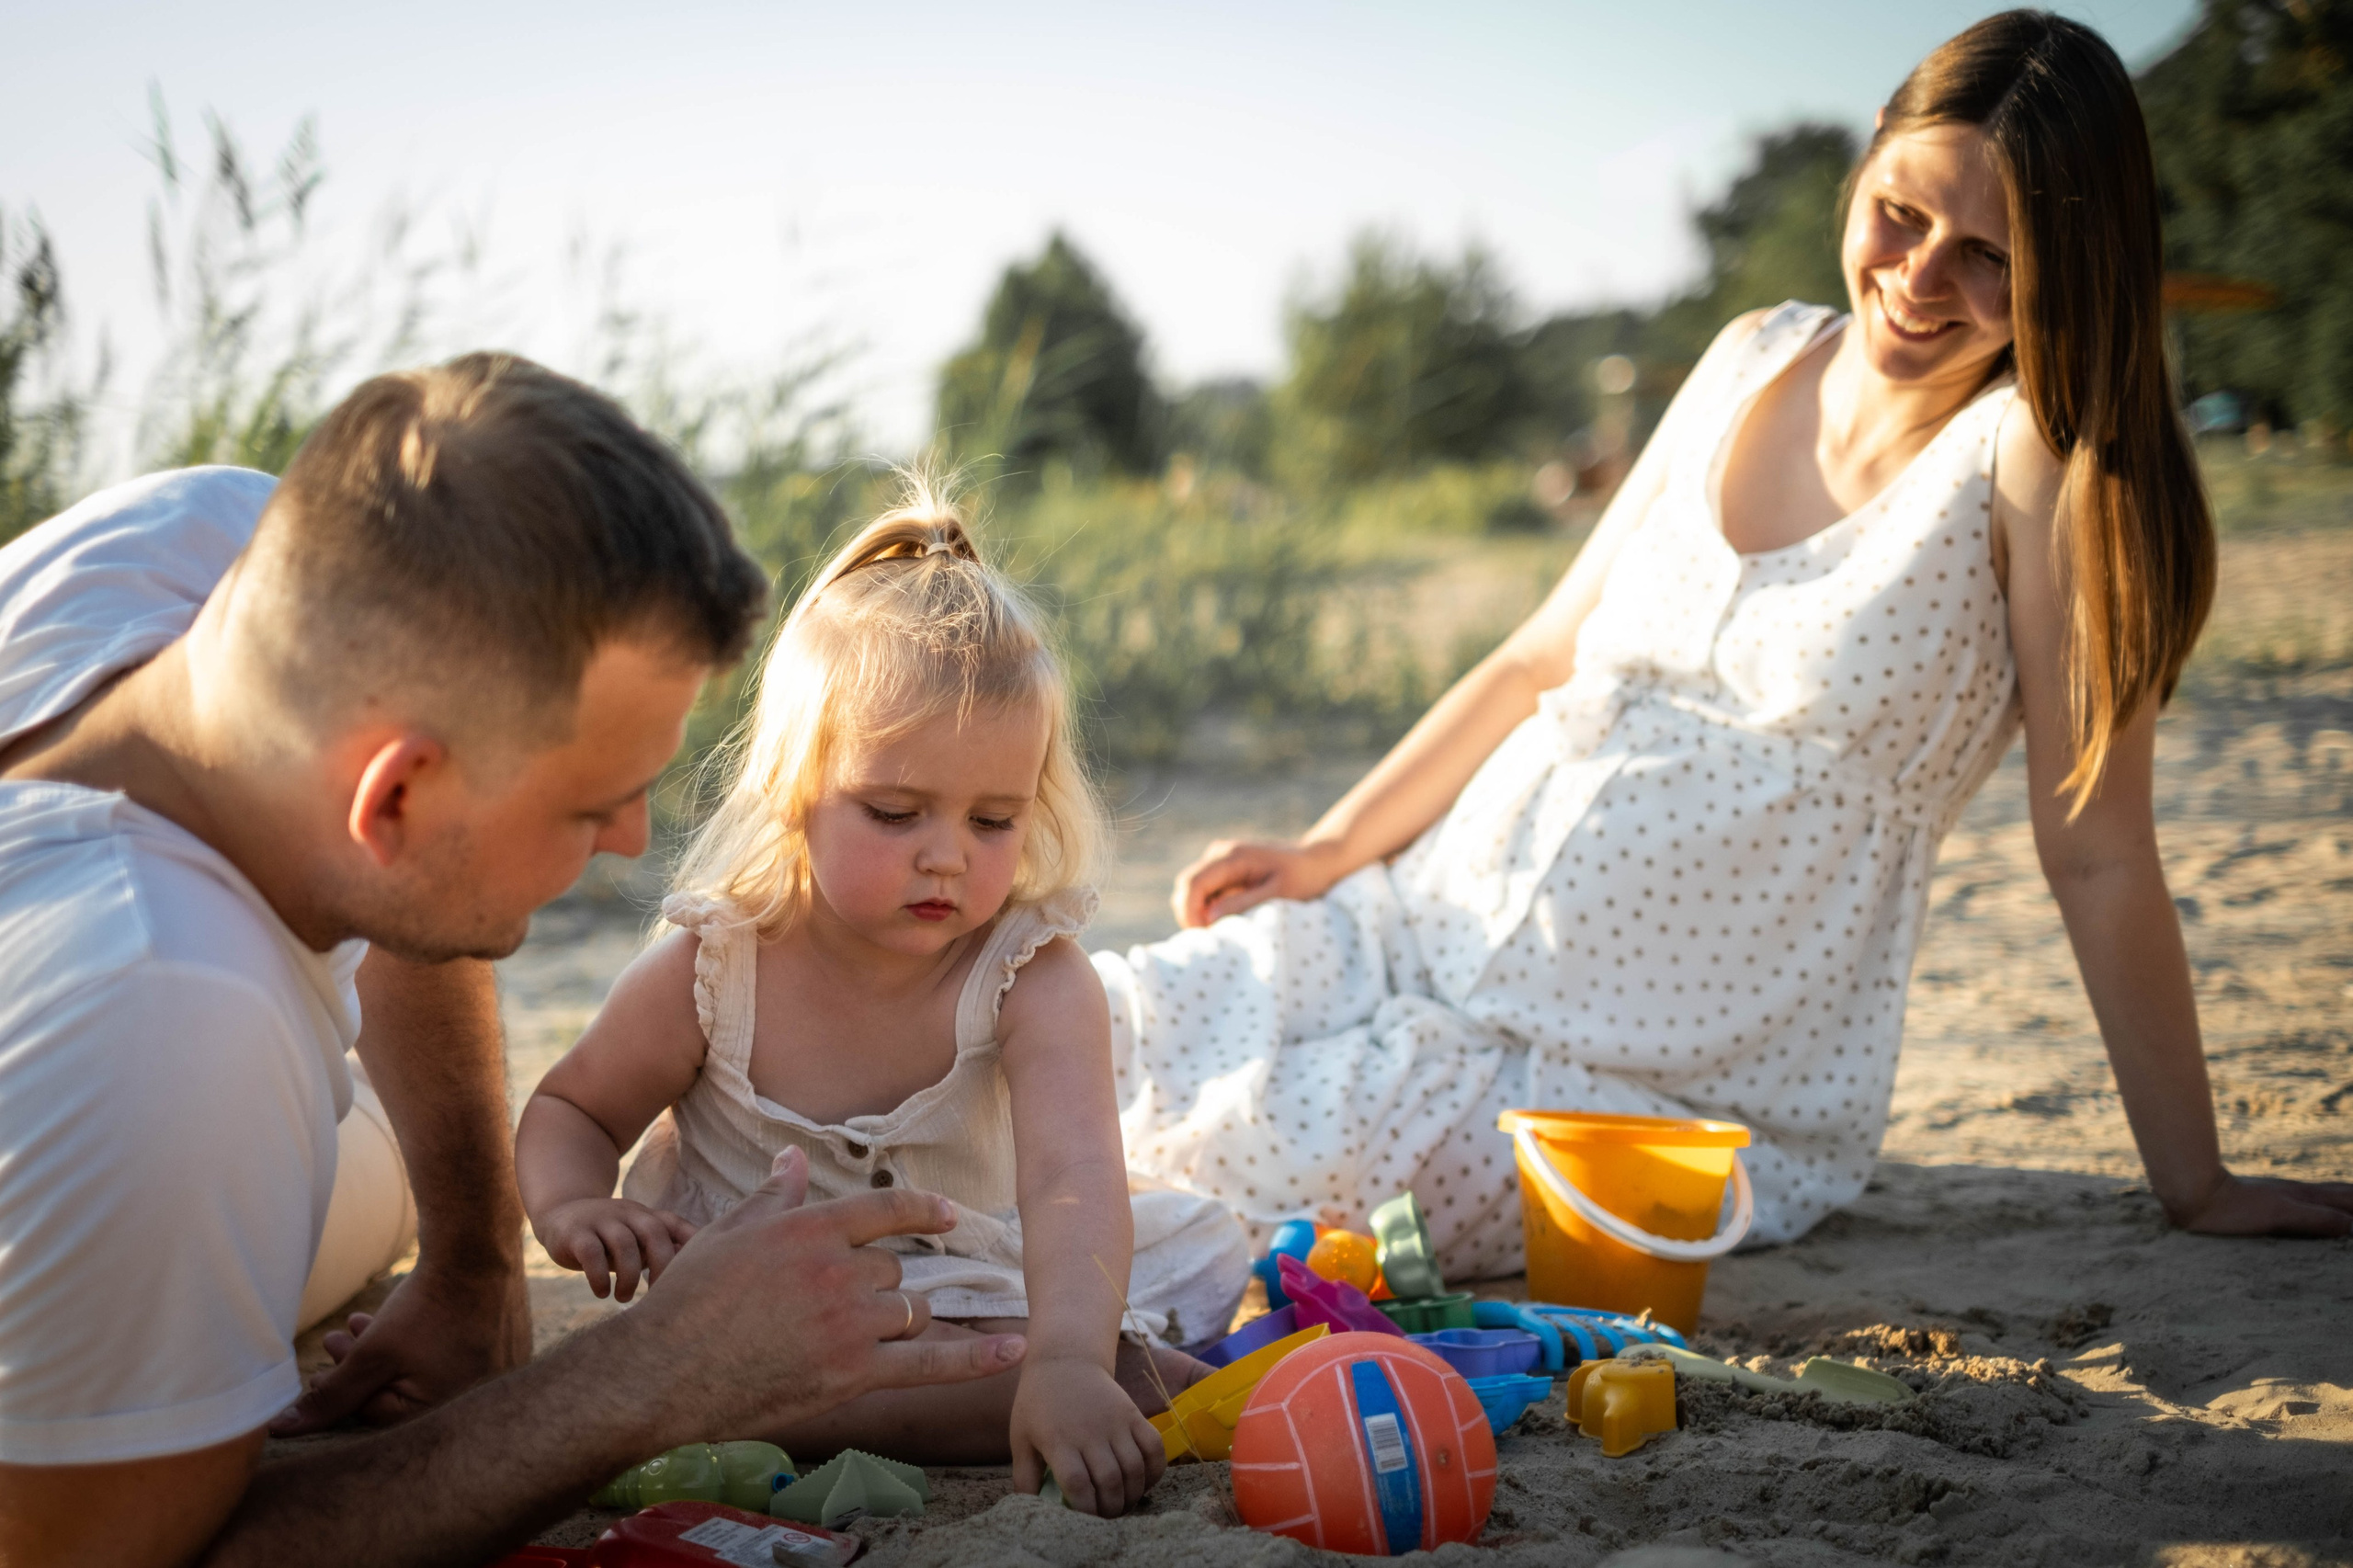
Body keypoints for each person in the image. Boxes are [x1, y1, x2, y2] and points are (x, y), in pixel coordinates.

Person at [1095, 10, 2353, 1277]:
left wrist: (2195, 1180)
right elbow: (1539, 656)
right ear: (1871, 148)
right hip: (1421, 923)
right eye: (1902, 215)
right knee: (1092, 1023)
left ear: (2068, 266)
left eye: (1987, 256)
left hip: (1634, 1080)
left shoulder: (2023, 461)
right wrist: (1328, 850)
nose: (1920, 278)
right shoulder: (1754, 351)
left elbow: (2097, 847)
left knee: (1213, 1169)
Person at [0, 358, 1027, 1568]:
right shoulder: (175, 1032)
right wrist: (651, 1370)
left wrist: (476, 1257)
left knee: (365, 1170)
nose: (632, 838)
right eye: (591, 804)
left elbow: (403, 878)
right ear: (395, 798)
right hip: (122, 1109)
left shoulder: (225, 545)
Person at [516, 484, 1251, 1519]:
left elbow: (1073, 1178)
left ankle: (990, 1389)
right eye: (896, 812)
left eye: (993, 820)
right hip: (752, 1308)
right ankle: (888, 1397)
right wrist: (575, 1205)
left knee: (1133, 1351)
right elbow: (573, 1108)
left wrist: (1067, 1358)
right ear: (793, 790)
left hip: (971, 1280)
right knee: (1134, 1387)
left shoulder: (1031, 975)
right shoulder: (713, 969)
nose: (946, 855)